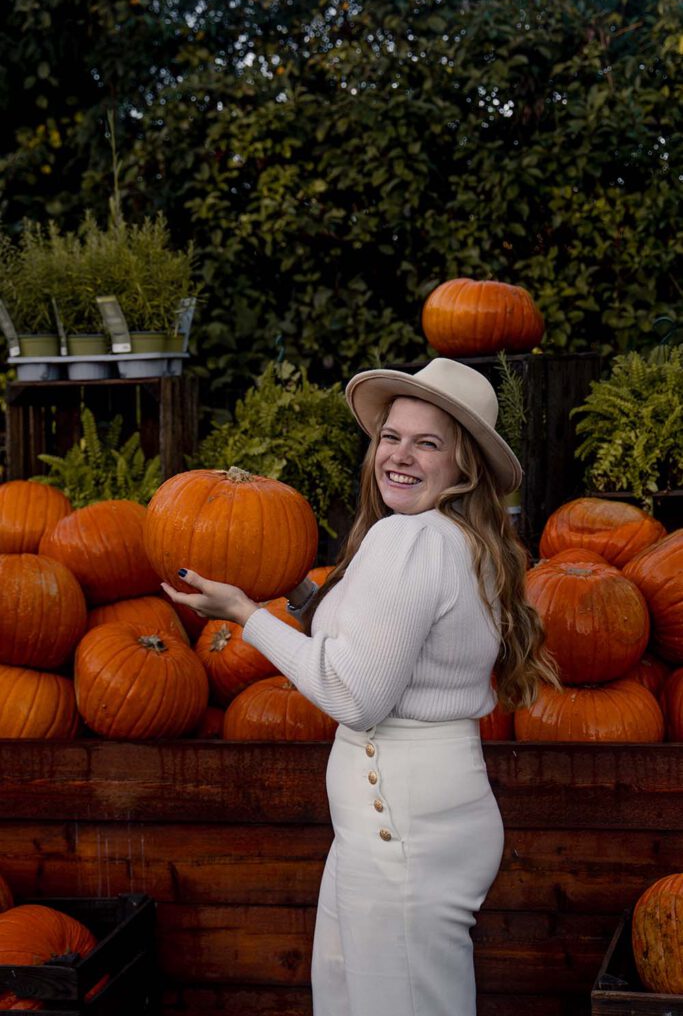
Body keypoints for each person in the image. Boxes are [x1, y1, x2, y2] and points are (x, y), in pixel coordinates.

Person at [162, 356, 559, 1016]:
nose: (399, 456)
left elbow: (354, 696)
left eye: (427, 443)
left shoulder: (408, 541)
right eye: (391, 437)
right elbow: (374, 646)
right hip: (402, 821)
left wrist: (246, 617)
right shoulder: (459, 539)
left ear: (464, 466)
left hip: (398, 823)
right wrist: (294, 593)